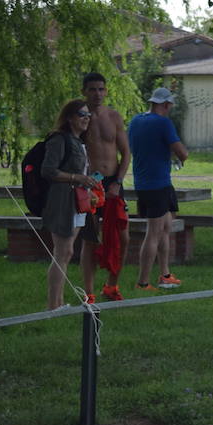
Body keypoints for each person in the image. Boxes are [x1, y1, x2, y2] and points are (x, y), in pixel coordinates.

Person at [39, 99, 100, 310]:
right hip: (62, 201)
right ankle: (53, 305)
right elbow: (48, 170)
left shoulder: (79, 141)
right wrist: (76, 177)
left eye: (88, 115)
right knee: (62, 252)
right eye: (81, 114)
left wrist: (88, 182)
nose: (86, 118)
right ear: (69, 118)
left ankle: (58, 302)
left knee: (67, 252)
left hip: (78, 201)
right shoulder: (59, 139)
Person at [128, 87, 189, 291]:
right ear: (166, 104)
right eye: (170, 105)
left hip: (145, 182)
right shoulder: (163, 123)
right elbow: (182, 153)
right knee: (153, 232)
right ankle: (143, 282)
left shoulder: (135, 121)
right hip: (157, 184)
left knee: (165, 227)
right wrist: (179, 153)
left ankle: (165, 274)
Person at [80, 72, 131, 302]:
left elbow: (126, 152)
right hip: (89, 184)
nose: (97, 94)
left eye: (101, 89)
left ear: (106, 91)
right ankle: (88, 292)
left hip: (112, 183)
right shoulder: (79, 117)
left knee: (123, 236)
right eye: (92, 89)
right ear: (84, 91)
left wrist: (118, 182)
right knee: (90, 239)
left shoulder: (114, 116)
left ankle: (111, 285)